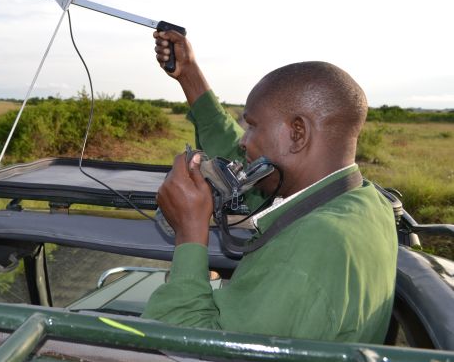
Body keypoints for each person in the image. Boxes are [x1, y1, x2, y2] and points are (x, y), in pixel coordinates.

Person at [142, 30, 398, 343]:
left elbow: (183, 344)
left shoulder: (309, 249)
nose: (244, 140)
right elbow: (240, 152)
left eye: (252, 126)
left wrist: (190, 231)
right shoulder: (363, 199)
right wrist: (190, 76)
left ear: (298, 133)